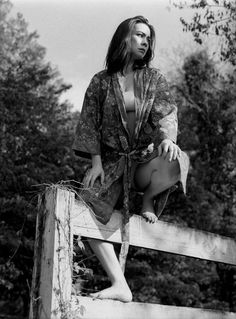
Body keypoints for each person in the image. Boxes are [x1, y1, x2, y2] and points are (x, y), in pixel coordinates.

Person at [73, 15, 189, 302]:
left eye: (148, 37)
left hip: (142, 161)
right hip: (112, 163)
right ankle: (119, 284)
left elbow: (166, 113)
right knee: (83, 210)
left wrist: (167, 140)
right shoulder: (101, 82)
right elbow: (89, 122)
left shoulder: (153, 78)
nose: (144, 41)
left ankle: (148, 198)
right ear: (124, 37)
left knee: (178, 160)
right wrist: (96, 163)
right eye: (139, 35)